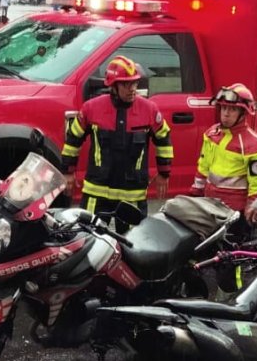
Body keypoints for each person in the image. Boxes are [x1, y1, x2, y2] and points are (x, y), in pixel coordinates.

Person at [61, 55, 174, 233]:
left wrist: (164, 173)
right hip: (96, 193)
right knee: (88, 238)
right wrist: (68, 172)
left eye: (135, 83)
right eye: (126, 84)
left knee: (133, 242)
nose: (132, 89)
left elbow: (164, 138)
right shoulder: (91, 108)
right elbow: (73, 139)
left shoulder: (149, 110)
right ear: (113, 86)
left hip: (132, 196)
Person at [192, 83, 257, 222]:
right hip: (209, 204)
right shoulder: (211, 134)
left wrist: (250, 209)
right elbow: (203, 165)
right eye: (223, 108)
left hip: (235, 212)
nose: (226, 114)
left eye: (233, 109)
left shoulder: (254, 144)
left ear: (243, 113)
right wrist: (196, 190)